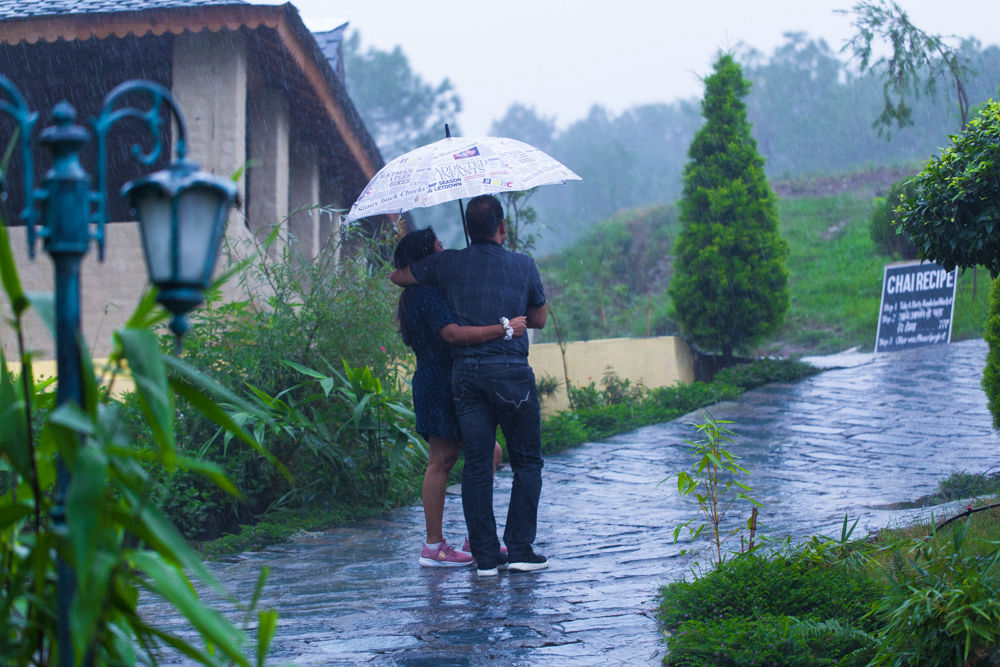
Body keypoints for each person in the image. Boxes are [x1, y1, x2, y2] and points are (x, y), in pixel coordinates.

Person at [391, 195, 548, 577]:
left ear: (467, 229)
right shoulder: (523, 264)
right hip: (511, 371)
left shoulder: (449, 264)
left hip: (466, 375)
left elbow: (399, 276)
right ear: (502, 227)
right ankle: (521, 549)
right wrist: (508, 315)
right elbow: (539, 318)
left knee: (478, 461)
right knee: (525, 461)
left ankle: (485, 557)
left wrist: (446, 265)